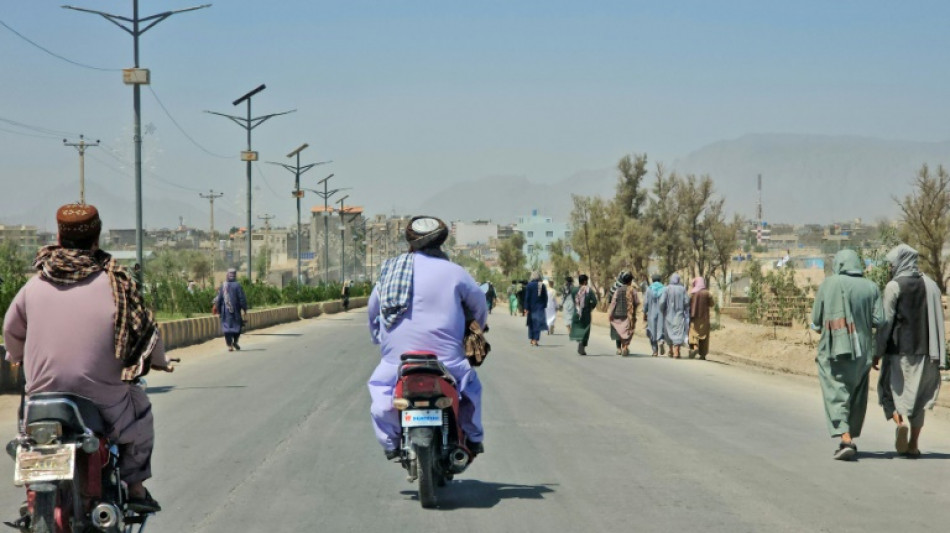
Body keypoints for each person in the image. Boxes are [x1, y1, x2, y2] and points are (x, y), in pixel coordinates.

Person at [3, 203, 173, 513]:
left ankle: (34, 500)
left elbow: (11, 331)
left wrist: (17, 356)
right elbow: (146, 331)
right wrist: (159, 360)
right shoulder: (117, 284)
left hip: (41, 399)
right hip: (102, 400)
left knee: (27, 432)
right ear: (96, 239)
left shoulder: (34, 285)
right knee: (141, 414)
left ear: (59, 237)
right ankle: (135, 488)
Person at [367, 216, 488, 460]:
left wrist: (377, 336)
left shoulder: (390, 271)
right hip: (447, 361)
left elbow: (373, 311)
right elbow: (479, 307)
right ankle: (474, 439)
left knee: (381, 391)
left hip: (397, 361)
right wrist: (477, 329)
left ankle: (390, 442)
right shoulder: (456, 272)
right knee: (470, 389)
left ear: (410, 244)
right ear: (441, 242)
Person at [811, 250, 884, 460]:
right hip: (863, 351)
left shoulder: (829, 284)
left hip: (836, 348)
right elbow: (879, 320)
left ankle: (845, 438)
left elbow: (816, 321)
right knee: (856, 394)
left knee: (836, 391)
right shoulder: (871, 287)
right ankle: (849, 433)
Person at [874, 244, 945, 458]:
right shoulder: (931, 285)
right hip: (927, 352)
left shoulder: (894, 286)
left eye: (892, 264)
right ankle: (913, 444)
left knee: (888, 391)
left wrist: (877, 351)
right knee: (918, 399)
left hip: (899, 352)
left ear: (900, 263)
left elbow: (886, 322)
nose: (890, 268)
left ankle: (900, 423)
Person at [214, 268, 248, 351]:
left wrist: (218, 310)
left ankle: (229, 345)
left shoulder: (224, 285)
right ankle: (235, 342)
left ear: (227, 275)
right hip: (235, 311)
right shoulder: (238, 285)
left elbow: (219, 299)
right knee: (237, 327)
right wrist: (244, 308)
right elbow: (242, 298)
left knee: (227, 328)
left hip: (225, 312)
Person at [608, 271, 639, 356]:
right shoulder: (632, 290)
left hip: (617, 313)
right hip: (628, 314)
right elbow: (636, 302)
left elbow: (613, 302)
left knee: (618, 330)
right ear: (630, 281)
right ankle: (625, 347)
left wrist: (610, 313)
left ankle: (618, 349)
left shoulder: (617, 290)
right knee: (628, 331)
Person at [660, 273, 689, 358]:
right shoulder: (682, 289)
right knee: (678, 332)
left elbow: (662, 302)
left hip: (668, 314)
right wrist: (685, 309)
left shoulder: (666, 289)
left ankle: (670, 350)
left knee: (668, 331)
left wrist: (662, 310)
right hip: (679, 315)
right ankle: (677, 351)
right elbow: (687, 301)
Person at [569, 274, 598, 355]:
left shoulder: (574, 290)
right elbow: (595, 301)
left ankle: (579, 341)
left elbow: (573, 300)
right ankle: (582, 345)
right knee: (586, 329)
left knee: (578, 328)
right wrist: (590, 307)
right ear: (585, 281)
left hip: (577, 313)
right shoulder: (589, 290)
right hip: (586, 313)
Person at [688, 277, 715, 360]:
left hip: (694, 317)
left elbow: (688, 303)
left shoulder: (692, 293)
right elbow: (712, 304)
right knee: (704, 336)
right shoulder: (708, 294)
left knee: (693, 334)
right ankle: (703, 355)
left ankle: (695, 347)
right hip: (705, 318)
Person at [643, 274, 666, 357]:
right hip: (662, 313)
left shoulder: (649, 289)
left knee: (652, 331)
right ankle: (661, 341)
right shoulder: (664, 289)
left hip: (651, 313)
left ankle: (655, 351)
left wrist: (644, 312)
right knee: (661, 329)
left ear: (652, 280)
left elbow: (646, 302)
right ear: (660, 280)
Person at [524, 272, 548, 346]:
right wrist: (544, 305)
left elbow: (527, 297)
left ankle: (532, 338)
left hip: (531, 308)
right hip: (539, 308)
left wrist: (526, 308)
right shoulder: (541, 285)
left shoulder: (529, 285)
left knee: (531, 324)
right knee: (537, 324)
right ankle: (535, 339)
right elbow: (545, 297)